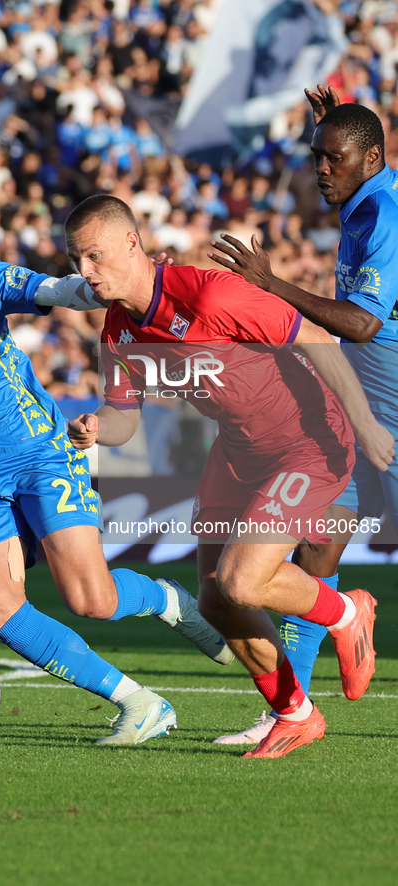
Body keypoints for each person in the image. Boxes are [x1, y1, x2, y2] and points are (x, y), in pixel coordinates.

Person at [0, 171, 235, 748]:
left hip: (36, 449)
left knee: (91, 600)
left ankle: (166, 599)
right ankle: (138, 702)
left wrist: (100, 287)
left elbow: (56, 291)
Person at [65, 193, 394, 758]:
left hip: (307, 443)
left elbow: (314, 338)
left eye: (94, 257)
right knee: (217, 599)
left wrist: (365, 424)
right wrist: (99, 427)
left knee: (244, 580)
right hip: (238, 452)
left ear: (131, 243)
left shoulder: (209, 293)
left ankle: (347, 612)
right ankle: (295, 714)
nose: (84, 274)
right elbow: (125, 415)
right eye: (77, 261)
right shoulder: (119, 329)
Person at [208, 87, 398, 745]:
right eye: (316, 156)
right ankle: (290, 710)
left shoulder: (383, 215)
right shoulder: (362, 196)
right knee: (314, 552)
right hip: (356, 414)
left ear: (370, 158)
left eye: (333, 160)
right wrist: (337, 119)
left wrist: (269, 283)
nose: (320, 169)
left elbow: (364, 323)